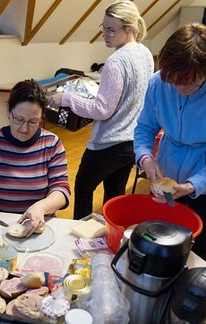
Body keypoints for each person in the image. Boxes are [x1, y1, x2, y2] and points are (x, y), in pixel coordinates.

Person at [134, 23, 206, 263]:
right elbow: (145, 127)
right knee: (163, 242)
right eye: (173, 81)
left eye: (191, 83)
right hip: (168, 177)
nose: (181, 89)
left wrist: (194, 185)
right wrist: (146, 157)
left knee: (198, 253)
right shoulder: (158, 83)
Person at [49, 0, 154, 220]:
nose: (104, 34)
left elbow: (102, 110)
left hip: (109, 143)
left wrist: (67, 99)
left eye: (111, 30)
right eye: (103, 27)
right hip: (132, 142)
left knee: (84, 188)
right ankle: (109, 236)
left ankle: (78, 235)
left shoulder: (115, 62)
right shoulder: (144, 53)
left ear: (130, 29)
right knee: (114, 196)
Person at [0, 80, 70, 236]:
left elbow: (61, 190)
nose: (24, 128)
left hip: (38, 224)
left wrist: (41, 207)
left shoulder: (51, 144)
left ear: (41, 118)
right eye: (19, 119)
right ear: (9, 113)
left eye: (33, 122)